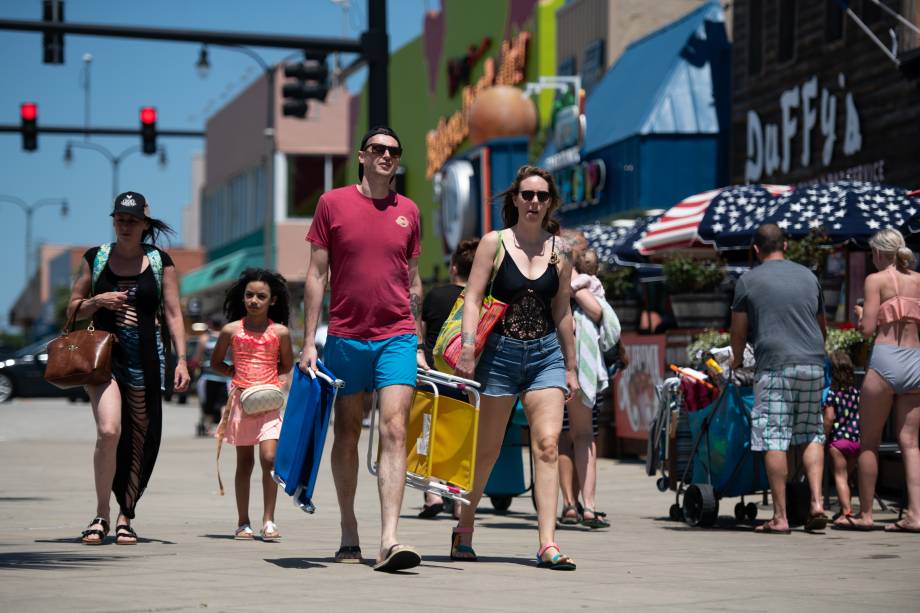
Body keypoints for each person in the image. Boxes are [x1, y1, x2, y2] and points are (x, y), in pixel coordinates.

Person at [300, 126, 426, 572]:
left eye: (393, 150)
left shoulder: (409, 211)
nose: (386, 155)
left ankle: (389, 538)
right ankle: (349, 528)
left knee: (395, 429)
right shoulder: (331, 204)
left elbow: (412, 282)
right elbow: (316, 276)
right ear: (361, 155)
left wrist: (420, 340)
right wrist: (308, 342)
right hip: (346, 337)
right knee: (348, 430)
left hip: (397, 335)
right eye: (378, 149)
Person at [452, 164, 579, 570]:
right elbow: (472, 298)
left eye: (542, 196)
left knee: (546, 445)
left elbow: (562, 311)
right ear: (515, 199)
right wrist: (468, 348)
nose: (535, 202)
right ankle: (464, 527)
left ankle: (547, 543)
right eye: (527, 195)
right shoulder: (495, 243)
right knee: (487, 450)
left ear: (550, 203)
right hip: (499, 356)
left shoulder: (562, 251)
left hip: (545, 357)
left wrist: (572, 367)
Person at [69, 191, 190, 545]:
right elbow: (72, 309)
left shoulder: (159, 261)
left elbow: (172, 312)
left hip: (146, 356)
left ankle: (126, 514)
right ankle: (101, 513)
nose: (125, 225)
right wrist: (96, 300)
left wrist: (181, 359)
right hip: (105, 357)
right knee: (109, 432)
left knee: (140, 436)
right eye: (120, 219)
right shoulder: (95, 258)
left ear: (144, 225)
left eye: (132, 220)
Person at [730, 223, 828, 534]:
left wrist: (735, 360)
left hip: (774, 364)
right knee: (811, 432)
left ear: (756, 249)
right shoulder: (809, 276)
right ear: (785, 246)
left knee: (774, 436)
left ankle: (781, 516)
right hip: (812, 361)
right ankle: (816, 503)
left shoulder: (748, 280)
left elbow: (738, 331)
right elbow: (822, 326)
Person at [835, 228, 920, 532]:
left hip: (886, 360)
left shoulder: (875, 280)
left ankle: (866, 514)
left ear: (880, 254)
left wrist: (861, 313)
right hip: (915, 361)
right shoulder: (919, 280)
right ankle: (915, 514)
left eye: (872, 253)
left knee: (868, 442)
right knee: (910, 443)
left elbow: (867, 330)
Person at [211, 269, 293, 542]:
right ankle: (242, 521)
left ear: (273, 300)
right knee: (244, 463)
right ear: (242, 297)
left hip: (269, 402)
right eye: (249, 295)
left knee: (270, 459)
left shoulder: (280, 332)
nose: (254, 300)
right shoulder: (231, 330)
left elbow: (286, 364)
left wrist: (271, 382)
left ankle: (269, 520)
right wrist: (236, 376)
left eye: (261, 296)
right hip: (241, 402)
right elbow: (216, 363)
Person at [417, 238, 479, 519]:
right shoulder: (480, 300)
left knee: (429, 432)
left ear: (454, 266)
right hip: (467, 374)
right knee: (462, 432)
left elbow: (422, 329)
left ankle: (432, 493)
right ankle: (457, 496)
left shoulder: (435, 296)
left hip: (433, 372)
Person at [558, 248, 611, 529]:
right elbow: (598, 311)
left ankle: (570, 505)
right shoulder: (579, 282)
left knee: (564, 438)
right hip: (576, 369)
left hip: (559, 366)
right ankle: (585, 505)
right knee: (582, 436)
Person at [823, 350, 860, 520]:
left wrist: (824, 435)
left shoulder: (832, 394)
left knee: (839, 477)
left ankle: (846, 512)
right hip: (855, 441)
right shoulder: (856, 394)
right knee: (846, 478)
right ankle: (845, 509)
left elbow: (829, 418)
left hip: (838, 442)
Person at [191, 315, 229, 437]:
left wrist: (195, 364)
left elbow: (197, 357)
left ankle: (207, 428)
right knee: (224, 403)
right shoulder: (227, 338)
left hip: (208, 375)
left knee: (208, 403)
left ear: (211, 324)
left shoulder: (204, 338)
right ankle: (223, 428)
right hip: (225, 376)